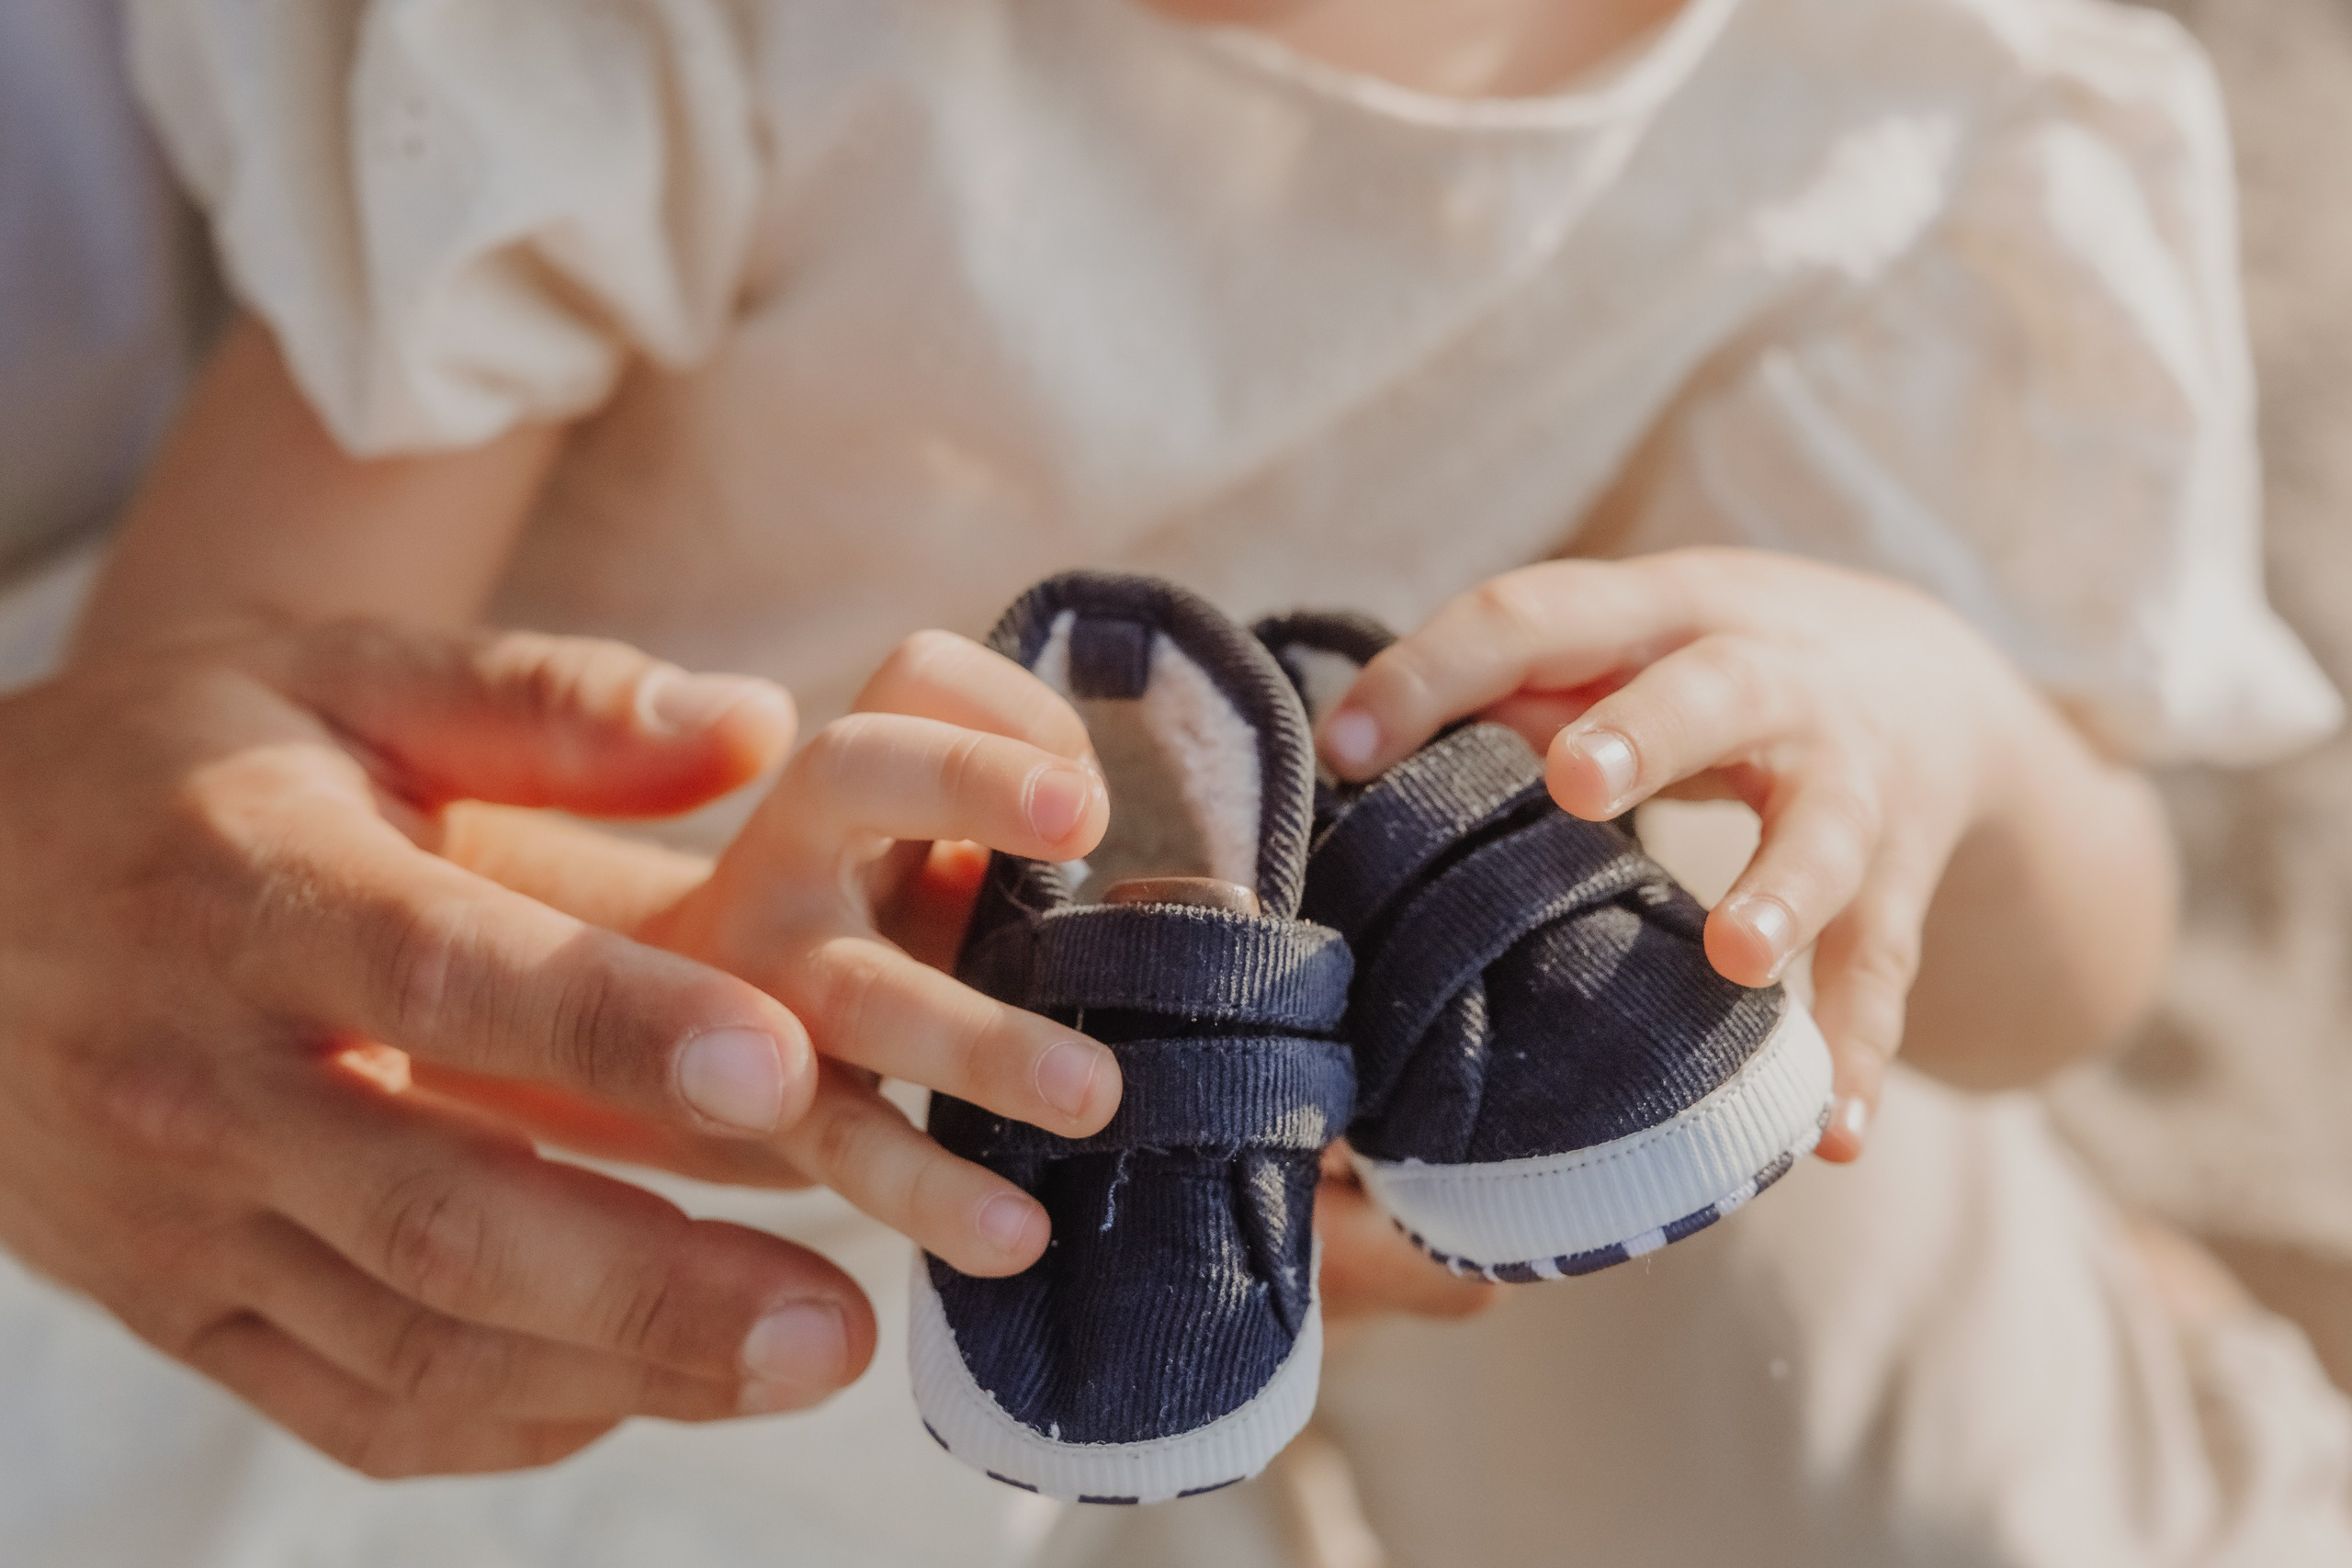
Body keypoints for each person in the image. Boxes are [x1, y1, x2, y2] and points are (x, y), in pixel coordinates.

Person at [3, 0, 2348, 1562]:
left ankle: (2145, 1365)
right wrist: (697, 948)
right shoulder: (693, 42)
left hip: (1519, 1053)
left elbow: (2065, 969)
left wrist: (1925, 707)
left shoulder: (1906, 108)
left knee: (1932, 1446)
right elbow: (228, 773)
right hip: (784, 1073)